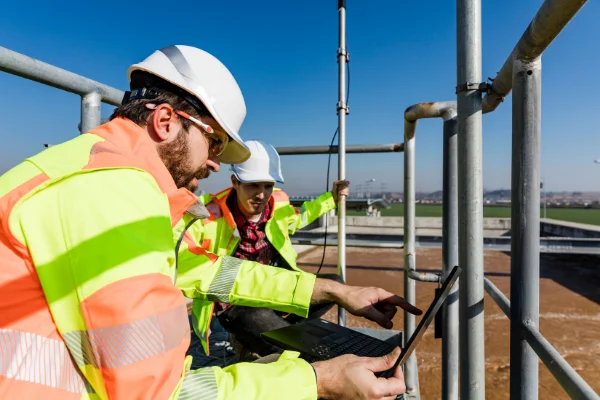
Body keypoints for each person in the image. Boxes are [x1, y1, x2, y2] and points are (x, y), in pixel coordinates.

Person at [0, 44, 419, 400]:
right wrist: (315, 381)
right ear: (166, 122)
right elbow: (156, 392)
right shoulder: (113, 190)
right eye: (214, 141)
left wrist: (332, 289)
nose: (216, 162)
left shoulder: (89, 172)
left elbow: (208, 270)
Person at [187, 139, 350, 360]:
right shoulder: (209, 216)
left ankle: (268, 333)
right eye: (253, 185)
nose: (262, 194)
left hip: (274, 291)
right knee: (269, 327)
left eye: (268, 185)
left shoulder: (278, 204)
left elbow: (299, 218)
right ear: (235, 182)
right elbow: (186, 257)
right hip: (236, 303)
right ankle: (290, 352)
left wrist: (330, 199)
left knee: (334, 285)